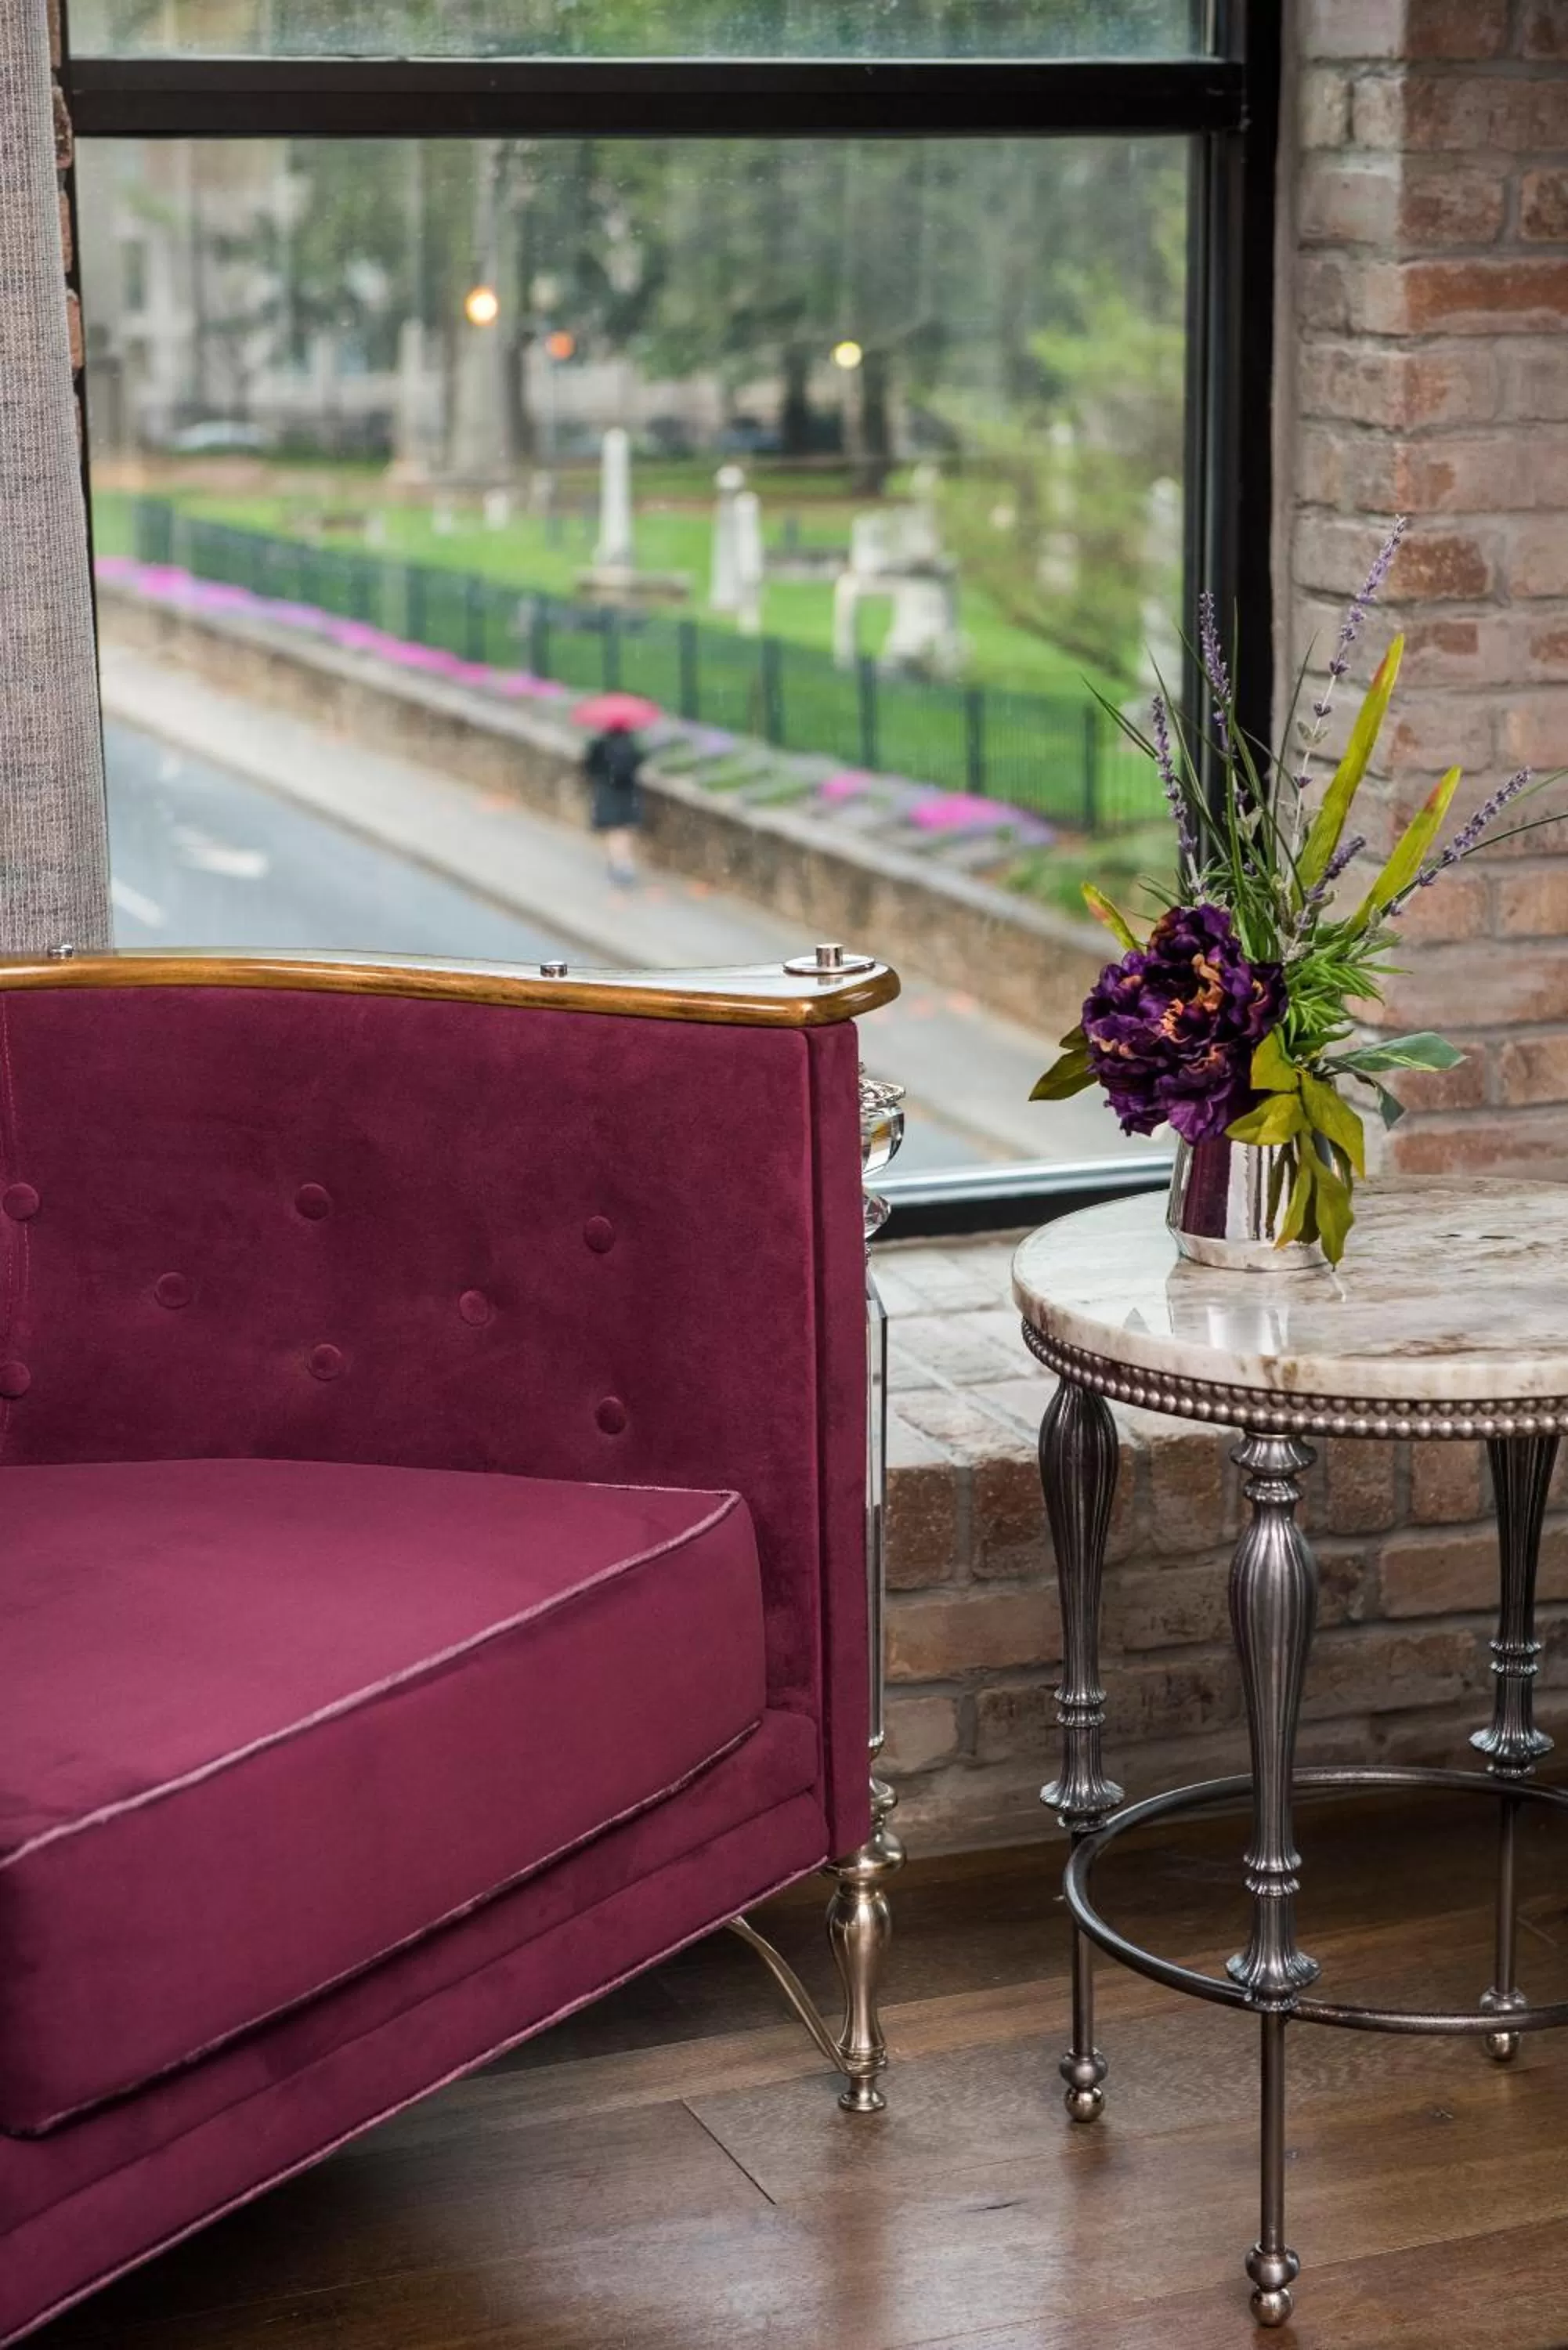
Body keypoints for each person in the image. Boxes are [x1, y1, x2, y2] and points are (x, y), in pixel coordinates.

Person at [583, 721, 644, 886]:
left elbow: (589, 766)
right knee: (623, 829)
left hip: (607, 791)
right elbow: (638, 762)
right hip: (627, 793)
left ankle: (619, 865)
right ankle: (624, 863)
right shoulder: (630, 746)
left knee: (613, 830)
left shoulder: (600, 745)